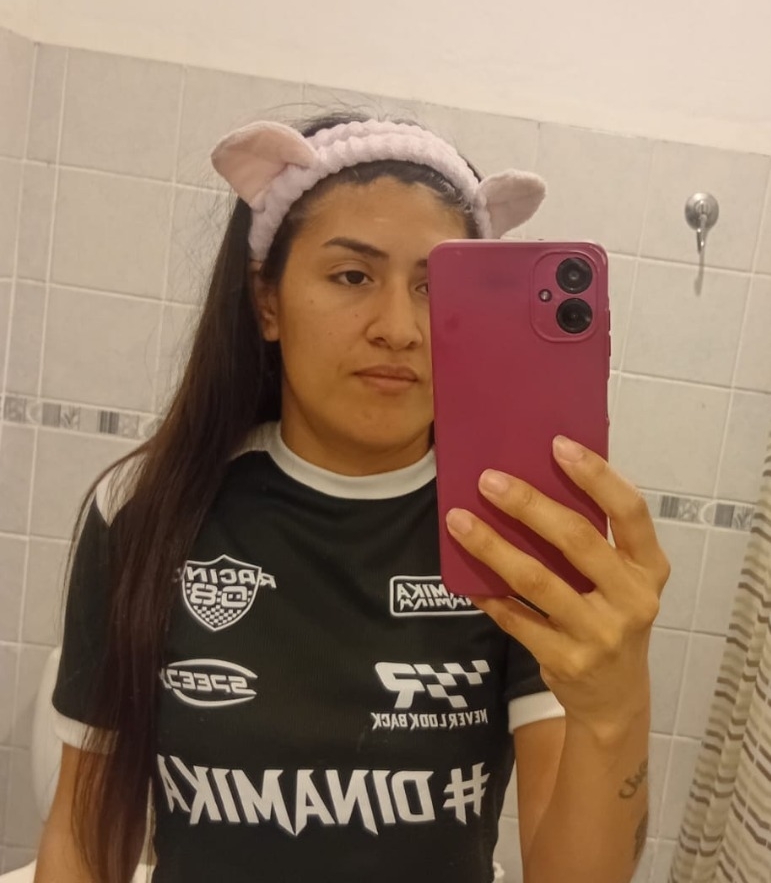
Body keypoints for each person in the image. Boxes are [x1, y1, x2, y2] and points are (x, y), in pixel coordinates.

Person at [34, 113, 670, 883]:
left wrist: (614, 710)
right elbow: (83, 836)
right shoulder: (145, 506)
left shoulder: (515, 532)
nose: (398, 328)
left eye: (434, 288)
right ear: (267, 301)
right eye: (352, 276)